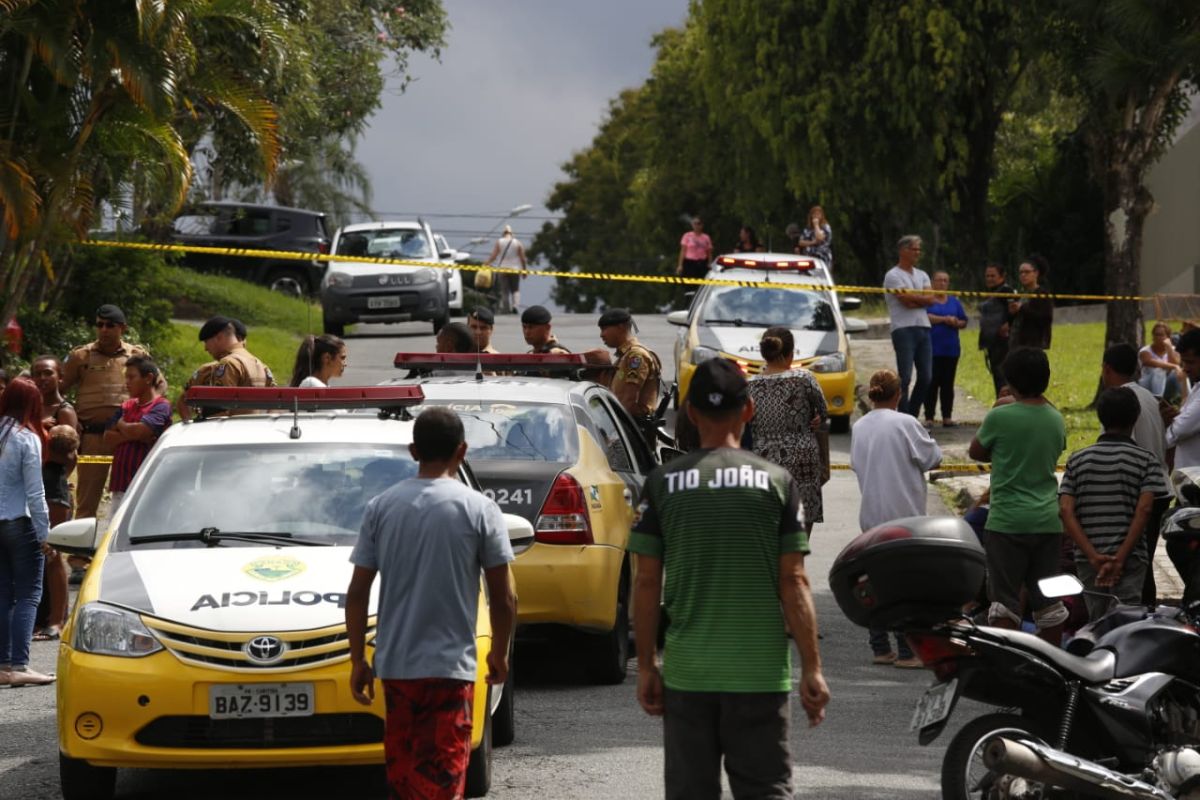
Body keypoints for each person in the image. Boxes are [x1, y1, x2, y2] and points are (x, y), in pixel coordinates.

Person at [629, 357, 829, 800]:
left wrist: (646, 666)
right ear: (749, 410)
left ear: (691, 414)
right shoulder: (777, 483)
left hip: (688, 676)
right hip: (759, 677)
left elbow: (645, 584)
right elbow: (793, 582)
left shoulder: (662, 484)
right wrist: (812, 668)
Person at [345, 407, 516, 799]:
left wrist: (358, 659)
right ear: (463, 451)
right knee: (443, 777)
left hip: (397, 668)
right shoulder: (480, 509)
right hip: (450, 669)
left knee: (405, 777)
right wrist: (500, 652)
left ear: (413, 451)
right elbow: (504, 597)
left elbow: (357, 592)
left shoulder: (381, 507)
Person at [968, 347, 1068, 644]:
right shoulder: (1055, 419)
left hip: (1007, 521)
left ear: (1010, 381)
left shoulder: (1001, 416)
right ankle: (1052, 666)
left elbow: (976, 452)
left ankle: (1006, 667)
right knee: (1048, 601)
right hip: (1048, 522)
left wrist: (1001, 405)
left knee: (1004, 601)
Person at [850, 369, 942, 667]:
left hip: (872, 515)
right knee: (907, 586)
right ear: (899, 394)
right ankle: (906, 649)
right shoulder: (906, 423)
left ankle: (880, 647)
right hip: (906, 516)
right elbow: (932, 458)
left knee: (877, 584)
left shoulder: (860, 426)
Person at [1059, 387, 1171, 621]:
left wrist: (1092, 556)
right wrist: (1119, 558)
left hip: (1089, 558)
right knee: (1127, 619)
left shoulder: (1077, 460)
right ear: (1136, 417)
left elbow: (1066, 510)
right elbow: (1145, 510)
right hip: (1131, 557)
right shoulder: (1146, 461)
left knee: (1096, 618)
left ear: (1100, 416)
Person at [60, 304, 148, 520]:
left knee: (131, 498)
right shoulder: (81, 356)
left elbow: (157, 387)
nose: (104, 330)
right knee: (87, 502)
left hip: (128, 440)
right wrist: (69, 418)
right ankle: (79, 554)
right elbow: (58, 391)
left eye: (110, 325)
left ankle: (121, 550)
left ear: (122, 328)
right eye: (100, 325)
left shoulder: (137, 356)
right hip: (93, 439)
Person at [1101, 343, 1172, 604]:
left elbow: (1121, 450)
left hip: (1139, 492)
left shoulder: (1119, 401)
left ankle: (1140, 619)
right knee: (1143, 561)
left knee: (1134, 565)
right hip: (1160, 487)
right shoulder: (1149, 397)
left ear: (1107, 369)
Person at [747, 327, 828, 537]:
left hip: (763, 462)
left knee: (768, 534)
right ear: (791, 353)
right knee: (799, 536)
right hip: (803, 462)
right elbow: (823, 411)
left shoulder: (748, 386)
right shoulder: (804, 379)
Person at [0, 378, 53, 686]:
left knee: (4, 594)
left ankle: (4, 665)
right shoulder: (25, 437)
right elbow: (35, 492)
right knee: (29, 593)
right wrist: (46, 535)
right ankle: (20, 665)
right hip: (20, 522)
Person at [103, 356, 171, 519]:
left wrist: (122, 426)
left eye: (131, 377)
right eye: (126, 377)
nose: (127, 382)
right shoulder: (126, 405)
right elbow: (107, 437)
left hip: (147, 485)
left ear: (148, 378)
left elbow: (140, 431)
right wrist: (133, 434)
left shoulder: (161, 406)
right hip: (121, 484)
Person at [177, 316, 276, 418]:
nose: (205, 348)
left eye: (206, 342)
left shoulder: (229, 363)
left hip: (228, 431)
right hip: (252, 430)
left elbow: (220, 409)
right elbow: (277, 403)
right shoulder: (261, 365)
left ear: (219, 337)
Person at [34, 424, 78, 641]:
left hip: (55, 499)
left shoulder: (50, 458)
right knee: (52, 556)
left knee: (53, 556)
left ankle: (56, 620)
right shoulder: (63, 462)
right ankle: (54, 618)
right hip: (57, 497)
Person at [883, 235, 936, 416]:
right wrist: (921, 299)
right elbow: (905, 301)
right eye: (914, 249)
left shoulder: (922, 274)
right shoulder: (893, 275)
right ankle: (902, 412)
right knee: (904, 376)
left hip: (923, 327)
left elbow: (931, 299)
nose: (917, 253)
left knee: (927, 376)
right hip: (903, 328)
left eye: (918, 249)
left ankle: (912, 413)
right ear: (902, 251)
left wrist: (917, 299)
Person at [597, 308, 661, 419]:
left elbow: (629, 400)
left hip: (633, 426)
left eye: (604, 329)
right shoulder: (625, 355)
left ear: (620, 327)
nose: (601, 335)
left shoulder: (636, 356)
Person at [924, 271, 969, 427]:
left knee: (948, 384)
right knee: (932, 383)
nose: (942, 283)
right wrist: (944, 319)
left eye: (945, 280)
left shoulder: (954, 302)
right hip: (931, 349)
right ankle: (929, 416)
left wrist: (956, 322)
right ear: (932, 283)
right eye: (939, 280)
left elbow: (964, 321)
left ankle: (947, 416)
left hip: (951, 349)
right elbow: (925, 317)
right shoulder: (929, 301)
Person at [978, 263, 1016, 398]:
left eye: (993, 275)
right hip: (992, 343)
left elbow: (1014, 311)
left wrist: (1007, 325)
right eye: (987, 276)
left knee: (1003, 378)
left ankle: (1006, 407)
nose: (989, 278)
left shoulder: (1007, 290)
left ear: (1002, 276)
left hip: (1004, 343)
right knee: (997, 377)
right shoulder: (991, 292)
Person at [1164, 328, 1200, 469]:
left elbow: (1178, 431)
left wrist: (1168, 422)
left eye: (1190, 362)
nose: (1185, 368)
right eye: (1183, 362)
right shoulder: (1197, 386)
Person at [1008, 256, 1054, 350]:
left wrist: (1022, 308)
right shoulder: (1021, 294)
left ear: (1036, 273)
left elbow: (1045, 317)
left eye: (1027, 272)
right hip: (1017, 342)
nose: (1023, 275)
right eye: (1021, 272)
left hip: (1033, 343)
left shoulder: (1042, 293)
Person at [1139, 322, 1187, 404]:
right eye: (1156, 334)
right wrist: (1175, 366)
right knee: (1159, 371)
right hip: (1148, 388)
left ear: (1168, 337)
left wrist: (1169, 348)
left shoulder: (1173, 350)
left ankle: (1188, 401)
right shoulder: (1145, 351)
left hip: (1167, 388)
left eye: (1161, 335)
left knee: (1181, 373)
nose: (1158, 337)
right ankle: (1157, 403)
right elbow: (1152, 362)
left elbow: (1176, 362)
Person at [486, 225, 527, 314]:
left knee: (504, 290)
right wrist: (524, 270)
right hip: (515, 269)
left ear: (503, 233)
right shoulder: (517, 243)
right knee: (515, 289)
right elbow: (523, 258)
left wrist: (487, 263)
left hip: (502, 269)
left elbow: (494, 255)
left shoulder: (499, 242)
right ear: (511, 233)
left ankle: (506, 308)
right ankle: (515, 306)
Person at [675, 216, 713, 280]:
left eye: (699, 224)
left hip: (702, 263)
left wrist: (709, 263)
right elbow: (683, 251)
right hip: (689, 263)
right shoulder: (687, 236)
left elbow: (709, 252)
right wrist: (680, 265)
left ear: (702, 225)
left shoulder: (706, 237)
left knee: (701, 282)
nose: (697, 226)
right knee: (689, 282)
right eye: (694, 224)